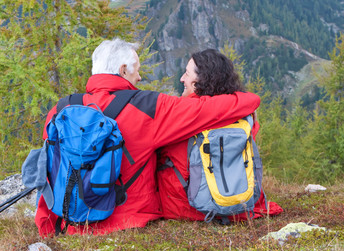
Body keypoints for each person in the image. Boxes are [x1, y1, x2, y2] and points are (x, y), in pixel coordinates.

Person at [35, 38, 261, 237]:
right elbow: (210, 109)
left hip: (66, 221)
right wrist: (249, 99)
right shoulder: (148, 106)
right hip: (125, 220)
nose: (140, 76)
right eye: (137, 70)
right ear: (123, 70)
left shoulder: (59, 109)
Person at [157, 49, 283, 221]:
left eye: (186, 73)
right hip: (243, 205)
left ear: (200, 81)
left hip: (188, 208)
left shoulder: (182, 114)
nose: (182, 78)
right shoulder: (240, 110)